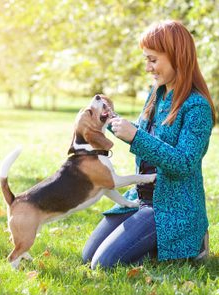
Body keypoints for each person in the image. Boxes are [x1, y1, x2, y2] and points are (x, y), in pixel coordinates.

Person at [82, 20, 216, 269]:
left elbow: (184, 163)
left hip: (171, 208)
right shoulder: (157, 93)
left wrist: (135, 137)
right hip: (140, 197)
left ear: (177, 56)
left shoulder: (197, 107)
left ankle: (190, 242)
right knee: (87, 257)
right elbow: (143, 134)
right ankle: (155, 245)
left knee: (103, 264)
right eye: (146, 60)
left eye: (152, 60)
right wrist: (111, 120)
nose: (147, 68)